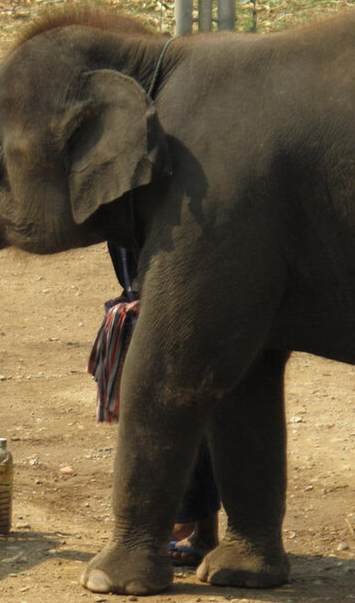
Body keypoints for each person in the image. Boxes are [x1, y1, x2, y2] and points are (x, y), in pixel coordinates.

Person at [88, 243, 221, 567]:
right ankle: (193, 528)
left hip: (177, 302)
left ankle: (182, 523)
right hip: (152, 300)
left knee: (176, 415)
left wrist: (157, 300)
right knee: (169, 417)